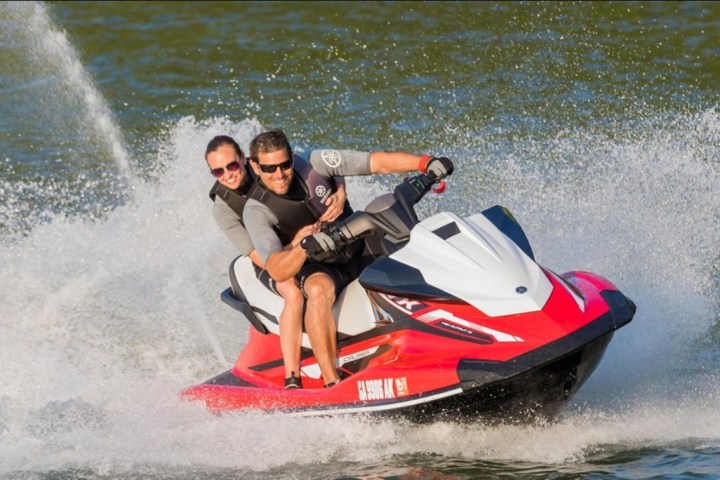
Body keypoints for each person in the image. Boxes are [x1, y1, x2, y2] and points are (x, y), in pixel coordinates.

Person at [243, 130, 453, 387]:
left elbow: (375, 162)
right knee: (319, 291)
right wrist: (303, 248)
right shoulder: (256, 211)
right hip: (317, 264)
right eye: (269, 168)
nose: (279, 174)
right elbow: (276, 268)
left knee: (403, 231)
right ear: (255, 166)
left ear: (292, 157)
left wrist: (425, 163)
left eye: (285, 164)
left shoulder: (314, 163)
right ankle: (332, 380)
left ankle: (455, 321)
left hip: (356, 242)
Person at [205, 135, 348, 389]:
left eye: (232, 166)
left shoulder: (271, 165)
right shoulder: (223, 209)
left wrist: (340, 190)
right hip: (268, 257)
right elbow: (262, 258)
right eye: (218, 171)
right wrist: (296, 246)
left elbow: (326, 164)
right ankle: (292, 376)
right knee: (292, 292)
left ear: (245, 160)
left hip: (303, 244)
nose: (227, 174)